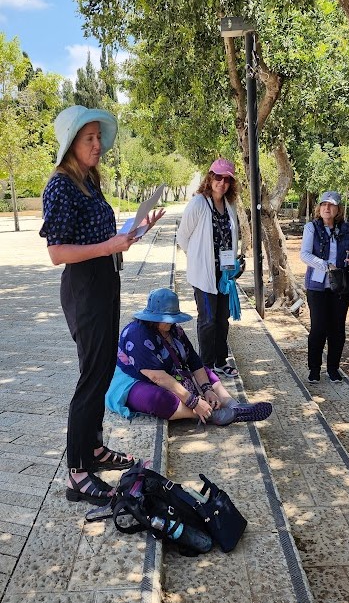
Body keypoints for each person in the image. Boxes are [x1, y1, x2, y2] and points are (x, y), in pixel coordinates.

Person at [40, 105, 165, 506]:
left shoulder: (88, 183)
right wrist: (110, 246)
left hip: (104, 282)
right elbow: (58, 252)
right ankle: (77, 472)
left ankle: (93, 449)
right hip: (84, 288)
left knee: (102, 369)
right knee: (91, 378)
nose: (97, 145)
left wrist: (134, 231)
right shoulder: (60, 186)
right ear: (70, 144)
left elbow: (101, 236)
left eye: (98, 137)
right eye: (88, 138)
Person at [106, 288, 272, 425]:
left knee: (205, 371)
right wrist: (193, 401)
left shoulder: (174, 330)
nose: (170, 323)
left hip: (170, 373)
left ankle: (232, 405)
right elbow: (157, 377)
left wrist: (207, 389)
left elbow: (194, 361)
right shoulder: (137, 334)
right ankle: (209, 415)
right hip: (134, 381)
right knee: (157, 399)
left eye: (172, 318)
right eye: (166, 319)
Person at [177, 159, 241, 378]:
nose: (221, 183)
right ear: (210, 177)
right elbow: (182, 237)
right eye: (218, 177)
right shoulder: (198, 204)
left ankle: (221, 361)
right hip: (204, 275)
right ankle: (205, 366)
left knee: (223, 319)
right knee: (208, 320)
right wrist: (197, 258)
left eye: (226, 179)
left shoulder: (229, 206)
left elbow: (233, 238)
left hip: (224, 274)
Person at [300, 191, 349, 383]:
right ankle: (314, 368)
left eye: (331, 205)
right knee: (318, 327)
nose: (327, 208)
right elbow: (305, 255)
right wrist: (326, 265)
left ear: (338, 209)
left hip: (340, 286)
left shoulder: (345, 229)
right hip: (317, 285)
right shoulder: (312, 228)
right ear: (319, 207)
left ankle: (333, 368)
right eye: (324, 204)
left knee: (337, 328)